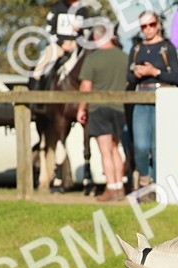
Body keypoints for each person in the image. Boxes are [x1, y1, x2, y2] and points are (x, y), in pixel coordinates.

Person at [127, 10, 178, 188]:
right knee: (141, 146)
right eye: (144, 26)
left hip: (163, 98)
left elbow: (177, 77)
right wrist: (137, 73)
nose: (148, 29)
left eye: (151, 25)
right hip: (141, 97)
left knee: (159, 147)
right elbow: (129, 77)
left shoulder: (167, 47)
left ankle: (159, 186)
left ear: (158, 25)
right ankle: (144, 179)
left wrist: (155, 72)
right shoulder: (136, 49)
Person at [76, 22, 128, 202]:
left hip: (99, 108)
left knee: (105, 150)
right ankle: (120, 186)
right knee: (115, 148)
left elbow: (86, 86)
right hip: (120, 108)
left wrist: (81, 108)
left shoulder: (93, 58)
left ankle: (111, 188)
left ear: (97, 37)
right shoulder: (123, 57)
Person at [29, 0, 87, 90]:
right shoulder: (57, 7)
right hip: (58, 46)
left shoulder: (82, 9)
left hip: (76, 46)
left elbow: (88, 29)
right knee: (40, 67)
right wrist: (61, 43)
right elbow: (49, 29)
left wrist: (80, 31)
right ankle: (34, 96)